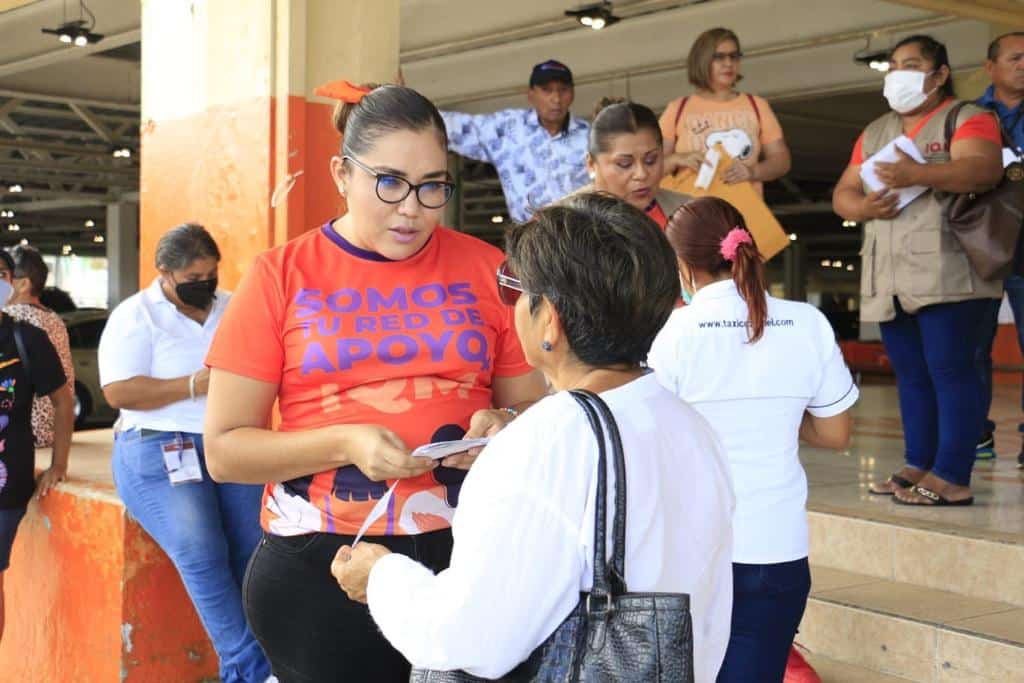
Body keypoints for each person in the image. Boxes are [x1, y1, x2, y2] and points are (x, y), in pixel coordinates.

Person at [202, 83, 548, 683]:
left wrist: (505, 428)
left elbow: (535, 411)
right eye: (389, 182)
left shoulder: (488, 269)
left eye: (433, 186)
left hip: (469, 555)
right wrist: (345, 444)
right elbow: (225, 452)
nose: (411, 208)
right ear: (342, 173)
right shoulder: (279, 277)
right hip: (322, 564)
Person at [331, 192, 735, 682]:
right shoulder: (690, 426)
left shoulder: (548, 440)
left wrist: (380, 577)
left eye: (514, 290)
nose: (512, 305)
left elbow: (472, 639)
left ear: (550, 320)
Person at [648, 197, 857, 683]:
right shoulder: (807, 323)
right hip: (778, 550)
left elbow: (651, 441)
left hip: (698, 553)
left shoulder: (673, 333)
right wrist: (783, 412)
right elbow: (835, 432)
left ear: (681, 265)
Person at [832, 35, 1004, 506]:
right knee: (910, 374)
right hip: (889, 275)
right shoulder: (874, 131)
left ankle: (952, 474)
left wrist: (919, 174)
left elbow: (983, 170)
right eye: (893, 66)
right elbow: (842, 194)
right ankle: (918, 462)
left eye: (911, 65)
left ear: (940, 74)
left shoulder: (968, 119)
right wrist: (864, 206)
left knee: (953, 370)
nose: (898, 75)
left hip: (953, 273)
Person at [97, 224, 270, 683]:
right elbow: (117, 390)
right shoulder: (136, 316)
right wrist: (195, 384)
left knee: (258, 547)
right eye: (195, 276)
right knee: (200, 547)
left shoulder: (233, 307)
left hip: (230, 437)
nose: (206, 284)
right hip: (159, 444)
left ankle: (267, 661)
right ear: (166, 274)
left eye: (212, 273)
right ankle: (250, 670)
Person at [0, 250, 73, 647]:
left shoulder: (25, 337)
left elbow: (63, 400)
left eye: (3, 274)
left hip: (4, 487)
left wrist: (59, 462)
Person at [439, 59, 590, 222]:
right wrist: (408, 104)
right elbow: (450, 126)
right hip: (528, 239)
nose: (556, 99)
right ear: (531, 94)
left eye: (563, 90)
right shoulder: (508, 129)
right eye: (547, 90)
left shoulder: (590, 136)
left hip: (580, 238)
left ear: (572, 93)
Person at [660, 27, 791, 195]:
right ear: (701, 60)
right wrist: (677, 159)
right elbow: (651, 166)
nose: (728, 63)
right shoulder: (677, 109)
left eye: (734, 56)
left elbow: (781, 160)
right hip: (692, 212)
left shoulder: (757, 105)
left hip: (745, 211)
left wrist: (753, 172)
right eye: (719, 57)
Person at [974, 31, 1024, 467]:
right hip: (980, 245)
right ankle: (976, 433)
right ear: (991, 67)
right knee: (973, 344)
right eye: (1016, 57)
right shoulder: (970, 115)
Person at [3, 246, 74, 447]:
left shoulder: (15, 317)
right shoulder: (54, 318)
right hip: (51, 429)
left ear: (23, 284)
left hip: (20, 430)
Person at [582, 98, 691, 228]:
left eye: (651, 160)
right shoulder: (561, 226)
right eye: (624, 164)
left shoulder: (690, 212)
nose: (641, 174)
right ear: (591, 164)